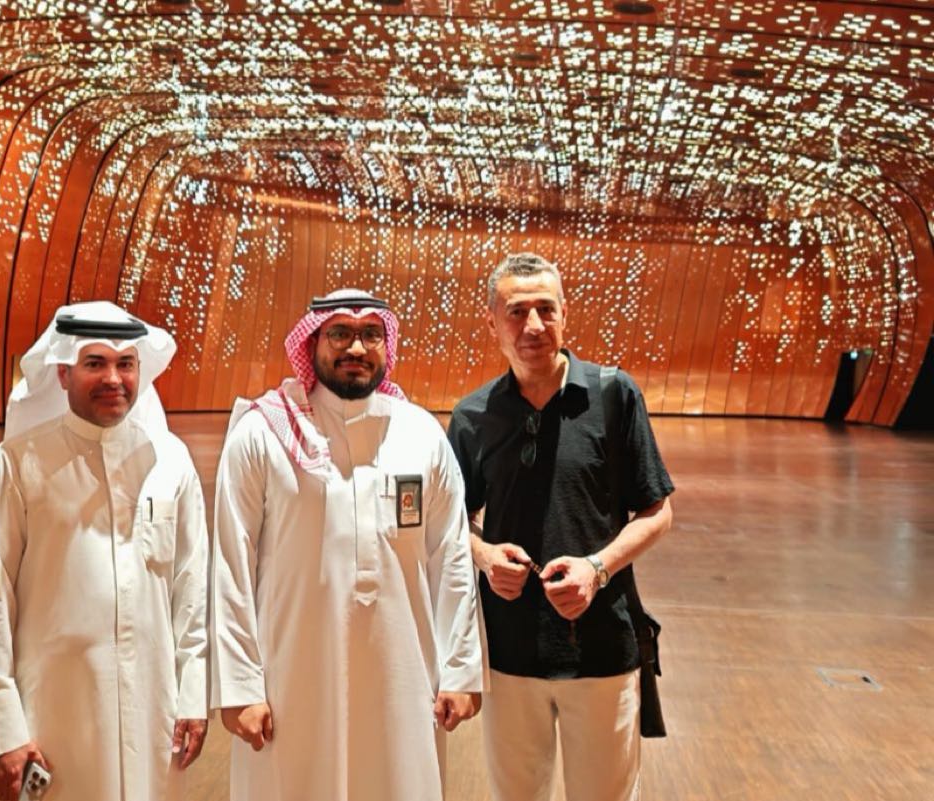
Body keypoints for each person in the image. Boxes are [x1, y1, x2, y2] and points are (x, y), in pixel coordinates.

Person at [211, 288, 483, 801]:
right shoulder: (262, 433)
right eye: (339, 333)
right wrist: (239, 686)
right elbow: (230, 566)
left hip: (405, 677)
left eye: (370, 334)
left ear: (387, 344)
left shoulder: (421, 433)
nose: (355, 348)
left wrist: (461, 670)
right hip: (290, 679)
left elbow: (450, 559)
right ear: (311, 343)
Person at [448, 254, 675, 801]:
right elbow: (450, 521)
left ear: (565, 314)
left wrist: (597, 569)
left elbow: (657, 512)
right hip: (509, 653)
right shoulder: (473, 416)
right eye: (516, 311)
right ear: (493, 322)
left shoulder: (614, 395)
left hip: (601, 649)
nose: (533, 326)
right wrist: (483, 555)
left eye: (546, 309)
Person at [0, 301, 209, 801]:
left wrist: (192, 694)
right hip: (54, 712)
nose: (113, 379)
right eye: (94, 363)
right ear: (63, 372)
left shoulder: (171, 461)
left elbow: (192, 589)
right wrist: (4, 732)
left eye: (125, 364)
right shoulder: (16, 464)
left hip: (154, 704)